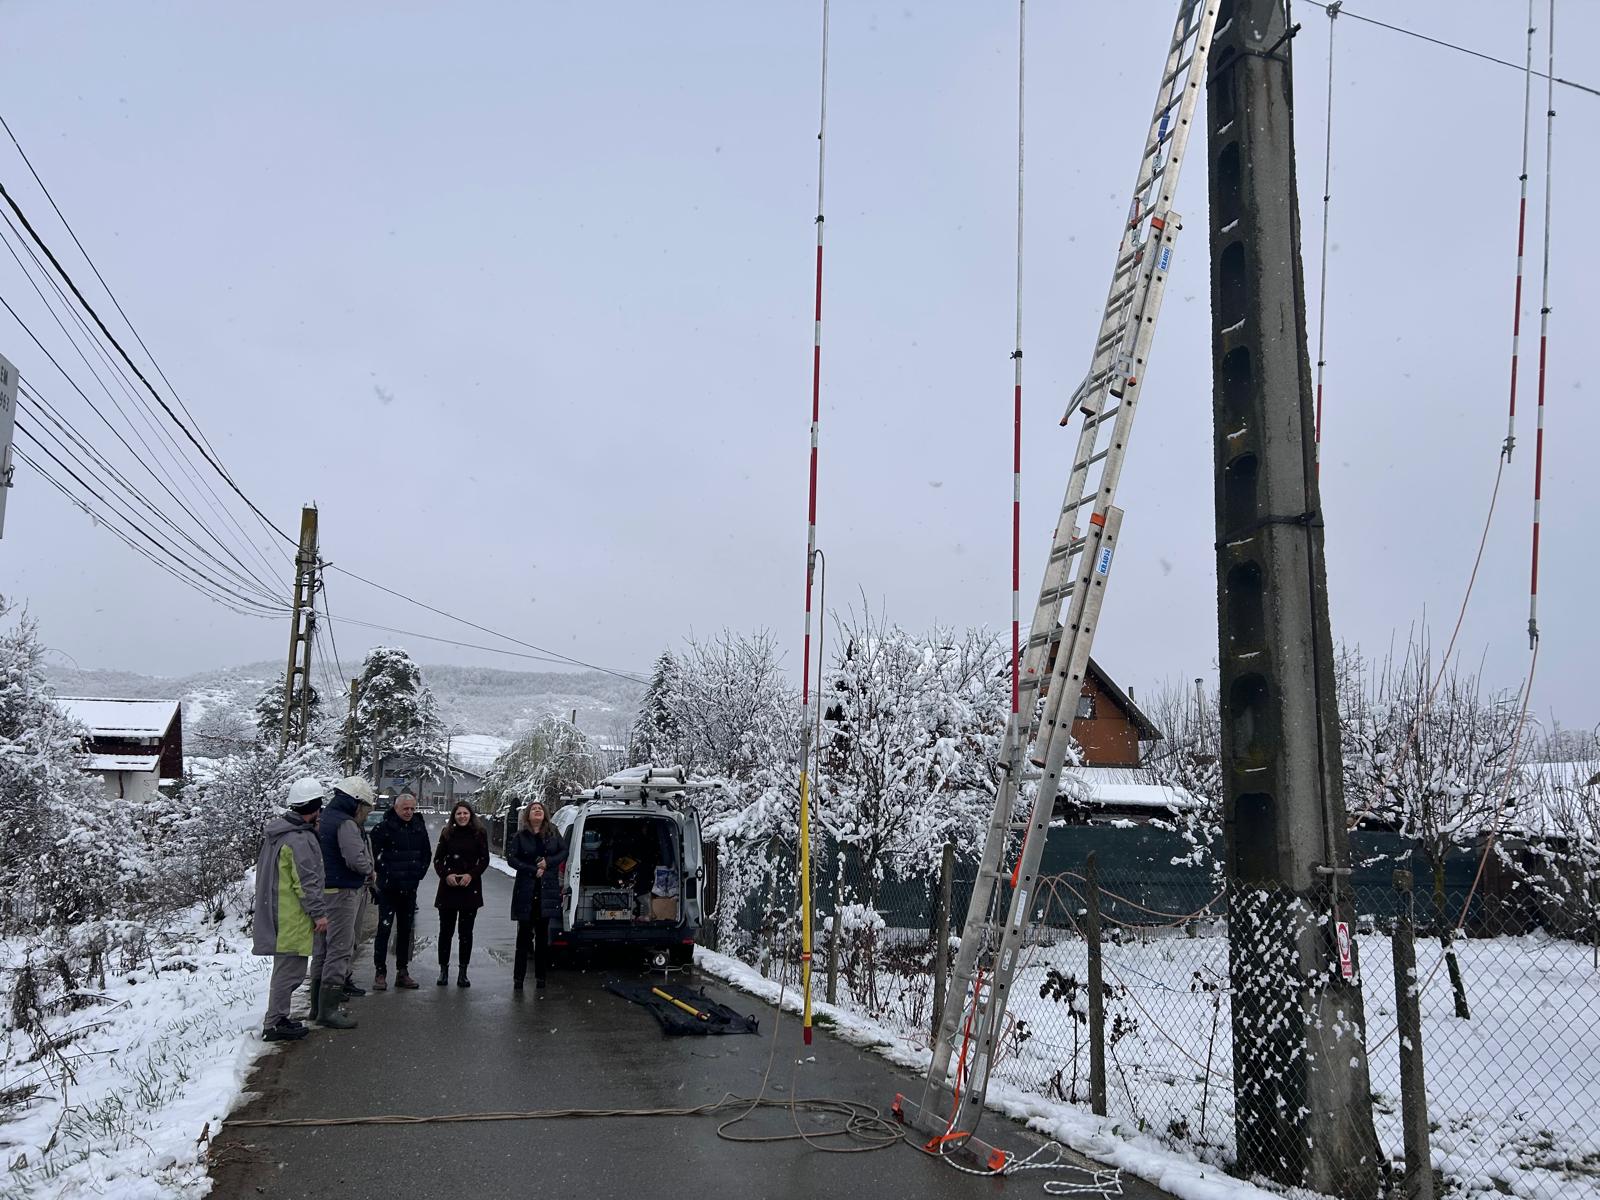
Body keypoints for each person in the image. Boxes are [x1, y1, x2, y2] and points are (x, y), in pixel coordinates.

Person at [252, 777, 331, 1041]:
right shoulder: (298, 839)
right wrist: (318, 913)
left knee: (286, 970)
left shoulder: (280, 834)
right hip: (292, 917)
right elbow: (306, 881)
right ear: (315, 807)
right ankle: (274, 1023)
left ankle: (279, 1018)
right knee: (290, 973)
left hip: (279, 912)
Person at [309, 776, 376, 1029]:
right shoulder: (345, 823)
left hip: (324, 890)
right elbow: (355, 859)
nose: (365, 814)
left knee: (322, 949)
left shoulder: (325, 817)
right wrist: (369, 869)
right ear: (356, 802)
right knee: (339, 948)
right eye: (365, 808)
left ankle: (316, 1006)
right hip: (342, 893)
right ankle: (329, 1010)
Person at [370, 791, 429, 990]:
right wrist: (387, 876)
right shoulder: (383, 829)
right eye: (405, 808)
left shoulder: (418, 827)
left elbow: (426, 854)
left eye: (412, 808)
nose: (409, 812)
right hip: (388, 889)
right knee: (384, 930)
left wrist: (417, 874)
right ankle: (380, 972)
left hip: (409, 888)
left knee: (405, 931)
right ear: (396, 808)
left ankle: (402, 971)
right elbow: (376, 857)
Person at [507, 800, 568, 993]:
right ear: (528, 815)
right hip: (526, 889)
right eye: (533, 809)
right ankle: (518, 978)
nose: (537, 811)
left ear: (544, 814)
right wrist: (532, 869)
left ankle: (541, 977)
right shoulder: (520, 836)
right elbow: (512, 858)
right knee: (523, 937)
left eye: (540, 808)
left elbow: (564, 851)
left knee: (542, 938)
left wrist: (548, 863)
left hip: (546, 890)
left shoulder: (553, 832)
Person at [433, 800, 489, 987]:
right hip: (448, 889)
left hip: (470, 889)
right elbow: (438, 859)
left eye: (465, 813)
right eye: (459, 813)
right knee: (445, 932)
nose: (462, 816)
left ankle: (463, 972)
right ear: (454, 816)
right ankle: (443, 971)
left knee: (465, 933)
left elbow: (484, 859)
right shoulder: (447, 833)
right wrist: (446, 875)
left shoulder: (479, 833)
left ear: (470, 815)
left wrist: (471, 875)